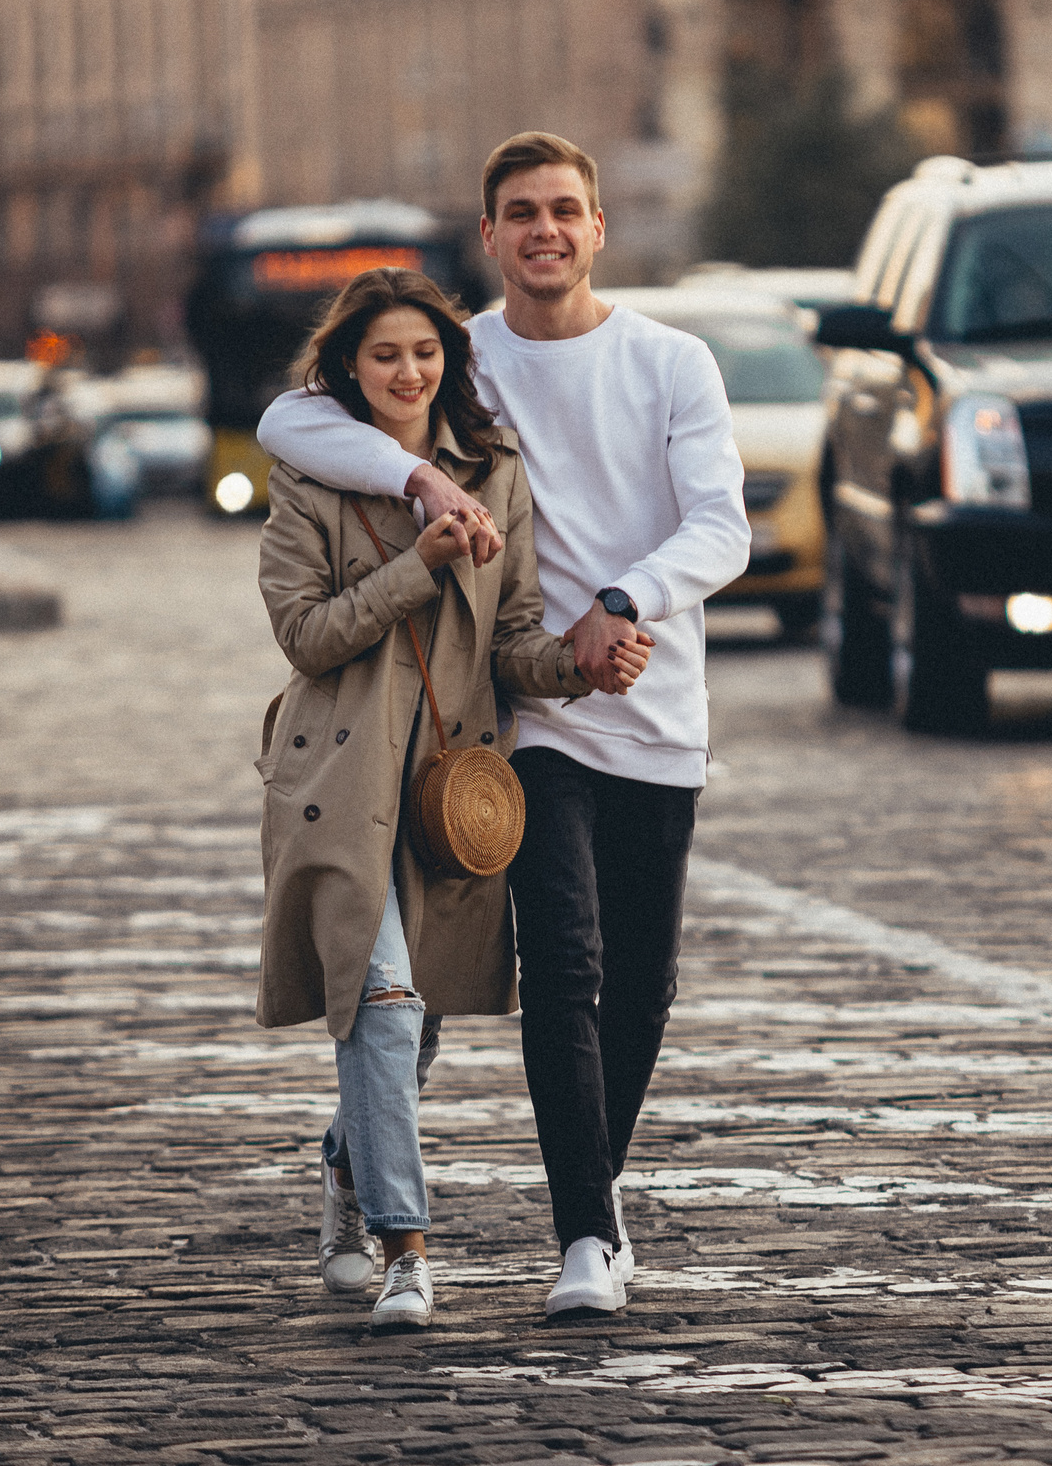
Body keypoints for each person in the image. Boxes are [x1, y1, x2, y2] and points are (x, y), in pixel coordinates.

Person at [257, 132, 750, 1318]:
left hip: (646, 696)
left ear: (596, 228)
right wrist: (425, 479)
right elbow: (290, 420)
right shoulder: (461, 357)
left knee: (641, 987)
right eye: (521, 212)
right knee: (565, 964)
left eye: (564, 210)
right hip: (522, 717)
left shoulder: (671, 359)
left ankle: (595, 1192)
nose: (545, 230)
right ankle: (584, 1236)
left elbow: (722, 525)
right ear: (488, 235)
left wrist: (625, 600)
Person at [252, 265, 634, 1330]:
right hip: (338, 779)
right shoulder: (309, 476)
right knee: (380, 1005)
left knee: (412, 1031)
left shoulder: (493, 471)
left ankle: (345, 1163)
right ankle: (406, 1253)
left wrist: (577, 664)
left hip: (449, 792)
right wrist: (416, 564)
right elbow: (305, 633)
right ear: (350, 366)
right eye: (385, 354)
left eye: (425, 352)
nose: (408, 371)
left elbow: (510, 640)